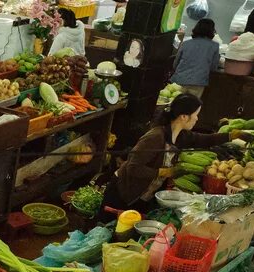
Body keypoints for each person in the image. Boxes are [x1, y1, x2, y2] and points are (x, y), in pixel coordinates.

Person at [101, 94, 237, 215]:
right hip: (123, 194)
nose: (197, 119)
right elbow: (133, 168)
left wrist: (232, 136)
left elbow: (205, 139)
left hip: (143, 195)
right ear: (184, 117)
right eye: (195, 114)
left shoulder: (181, 136)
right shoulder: (154, 137)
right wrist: (163, 172)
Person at [171, 19, 220, 98]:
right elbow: (213, 67)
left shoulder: (186, 43)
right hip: (198, 82)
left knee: (174, 103)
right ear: (212, 30)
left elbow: (176, 63)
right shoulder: (214, 46)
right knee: (191, 106)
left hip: (179, 79)